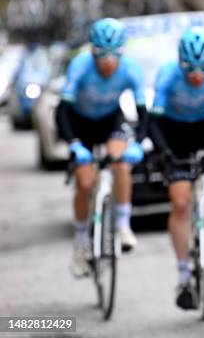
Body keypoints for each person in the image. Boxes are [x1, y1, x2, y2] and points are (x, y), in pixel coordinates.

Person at [147, 26, 204, 310]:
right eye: (190, 70)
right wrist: (164, 154)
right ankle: (184, 276)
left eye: (202, 70)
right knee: (181, 203)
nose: (197, 76)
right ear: (181, 63)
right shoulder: (168, 74)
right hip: (173, 134)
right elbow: (153, 122)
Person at [55, 18, 147, 277]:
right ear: (93, 51)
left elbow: (143, 112)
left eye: (113, 55)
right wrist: (74, 144)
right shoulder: (80, 66)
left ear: (122, 52)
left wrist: (138, 143)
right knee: (85, 183)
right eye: (101, 55)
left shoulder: (130, 69)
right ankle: (81, 241)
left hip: (109, 120)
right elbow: (61, 111)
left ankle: (122, 224)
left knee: (120, 162)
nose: (107, 61)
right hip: (78, 123)